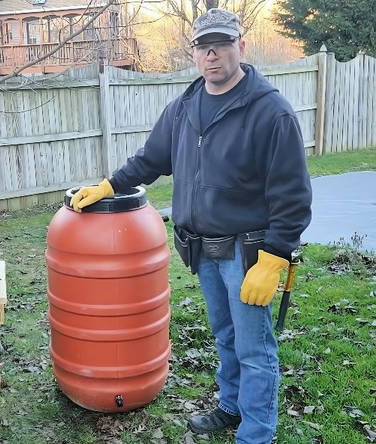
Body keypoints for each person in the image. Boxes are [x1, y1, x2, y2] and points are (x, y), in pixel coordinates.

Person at [69, 8, 312, 444]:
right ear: (194, 52)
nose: (211, 55)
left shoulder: (271, 112)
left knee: (255, 349)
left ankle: (256, 434)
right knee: (224, 334)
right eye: (202, 46)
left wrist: (274, 257)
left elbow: (292, 195)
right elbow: (151, 159)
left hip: (247, 252)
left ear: (241, 46)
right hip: (201, 249)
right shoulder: (184, 107)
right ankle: (231, 406)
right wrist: (109, 185)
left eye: (220, 44)